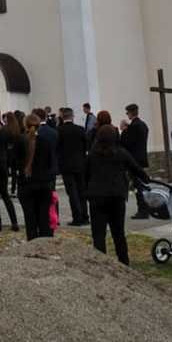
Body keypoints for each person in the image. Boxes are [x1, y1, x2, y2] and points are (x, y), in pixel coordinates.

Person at [86, 123, 149, 265]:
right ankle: (124, 262)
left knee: (98, 234)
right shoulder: (120, 153)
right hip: (116, 196)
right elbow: (136, 169)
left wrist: (87, 192)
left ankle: (100, 264)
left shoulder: (92, 154)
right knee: (118, 233)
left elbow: (86, 174)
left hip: (97, 197)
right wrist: (146, 179)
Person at [16, 112, 58, 240]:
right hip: (44, 184)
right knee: (44, 218)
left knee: (30, 220)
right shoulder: (46, 142)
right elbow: (51, 163)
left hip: (26, 185)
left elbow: (14, 163)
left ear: (25, 125)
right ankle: (44, 247)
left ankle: (32, 247)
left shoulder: (20, 142)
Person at [57, 107, 89, 226]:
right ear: (72, 116)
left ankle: (77, 217)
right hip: (80, 164)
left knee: (72, 192)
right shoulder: (80, 129)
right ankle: (85, 216)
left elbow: (57, 148)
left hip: (66, 165)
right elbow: (86, 146)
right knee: (82, 191)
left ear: (62, 117)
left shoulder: (59, 130)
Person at [121, 103, 150, 219]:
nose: (127, 115)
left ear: (130, 113)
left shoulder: (133, 126)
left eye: (127, 113)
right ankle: (145, 208)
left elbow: (126, 143)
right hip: (141, 158)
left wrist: (124, 130)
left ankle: (143, 210)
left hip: (134, 161)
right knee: (140, 185)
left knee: (138, 186)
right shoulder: (143, 125)